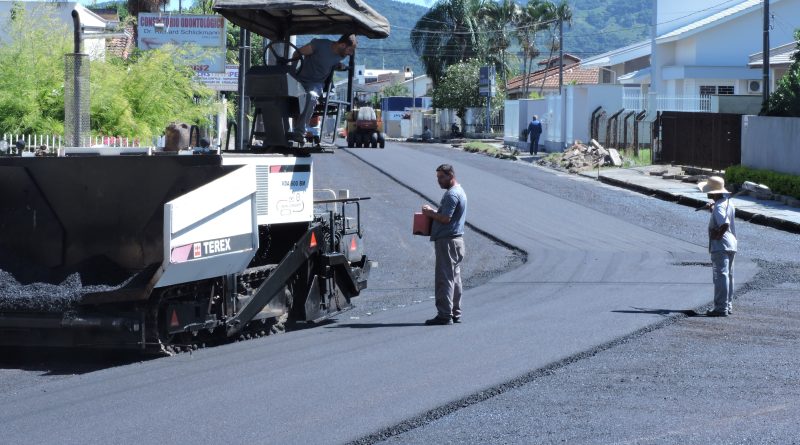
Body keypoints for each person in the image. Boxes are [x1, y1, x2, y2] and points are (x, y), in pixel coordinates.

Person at [421, 164, 467, 325]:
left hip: (447, 241)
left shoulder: (452, 195)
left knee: (445, 278)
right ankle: (455, 313)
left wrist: (430, 213)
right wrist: (435, 212)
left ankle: (445, 315)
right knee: (455, 278)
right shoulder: (459, 191)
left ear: (450, 176)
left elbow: (446, 218)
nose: (439, 181)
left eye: (441, 177)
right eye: (438, 177)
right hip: (456, 240)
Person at [291, 34, 357, 141]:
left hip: (316, 83)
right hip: (300, 80)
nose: (351, 53)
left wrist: (340, 66)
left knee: (311, 96)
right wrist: (291, 72)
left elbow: (332, 62)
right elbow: (297, 53)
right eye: (350, 50)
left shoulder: (341, 55)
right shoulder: (319, 45)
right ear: (342, 45)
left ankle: (299, 132)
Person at [698, 176, 737, 317]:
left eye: (709, 190)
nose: (707, 193)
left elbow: (724, 223)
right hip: (731, 243)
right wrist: (713, 208)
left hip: (722, 244)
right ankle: (728, 305)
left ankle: (721, 308)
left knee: (721, 276)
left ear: (714, 192)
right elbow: (722, 215)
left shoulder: (720, 206)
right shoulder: (727, 203)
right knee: (728, 276)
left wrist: (718, 234)